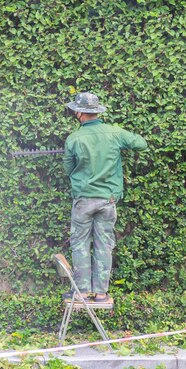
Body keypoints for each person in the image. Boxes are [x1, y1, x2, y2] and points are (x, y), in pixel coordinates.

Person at [63, 92, 147, 303]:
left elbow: (68, 169)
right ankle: (101, 293)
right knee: (104, 244)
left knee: (80, 243)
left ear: (80, 113)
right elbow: (140, 144)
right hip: (108, 200)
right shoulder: (114, 133)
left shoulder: (74, 138)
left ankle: (81, 292)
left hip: (83, 199)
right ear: (97, 112)